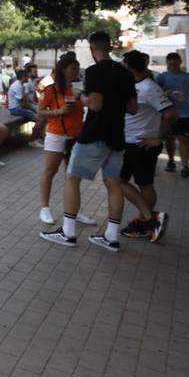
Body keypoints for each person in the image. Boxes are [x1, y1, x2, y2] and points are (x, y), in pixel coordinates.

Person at [41, 31, 136, 251]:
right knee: (114, 184)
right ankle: (111, 237)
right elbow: (133, 108)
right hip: (117, 135)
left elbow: (94, 105)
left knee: (72, 178)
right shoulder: (126, 73)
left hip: (94, 134)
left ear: (93, 49)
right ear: (110, 47)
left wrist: (82, 97)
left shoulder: (94, 71)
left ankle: (68, 232)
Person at [117, 50, 172, 242]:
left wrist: (159, 138)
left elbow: (171, 114)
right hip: (128, 142)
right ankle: (146, 221)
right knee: (127, 182)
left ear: (127, 65)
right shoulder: (131, 85)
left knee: (133, 182)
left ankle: (149, 219)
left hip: (141, 144)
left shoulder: (150, 88)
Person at [35, 54, 94, 226]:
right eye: (73, 68)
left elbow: (89, 106)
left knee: (73, 175)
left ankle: (73, 211)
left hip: (76, 136)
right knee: (50, 171)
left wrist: (83, 98)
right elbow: (40, 111)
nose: (76, 71)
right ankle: (45, 208)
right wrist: (57, 112)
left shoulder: (79, 90)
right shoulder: (51, 90)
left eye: (77, 68)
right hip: (56, 135)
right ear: (63, 70)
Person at [157, 52, 189, 177]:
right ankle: (171, 160)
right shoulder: (161, 78)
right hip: (167, 113)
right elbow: (155, 94)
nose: (173, 64)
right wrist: (164, 93)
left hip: (186, 114)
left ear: (180, 62)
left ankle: (185, 166)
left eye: (175, 61)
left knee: (185, 139)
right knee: (169, 139)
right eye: (170, 62)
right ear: (167, 63)